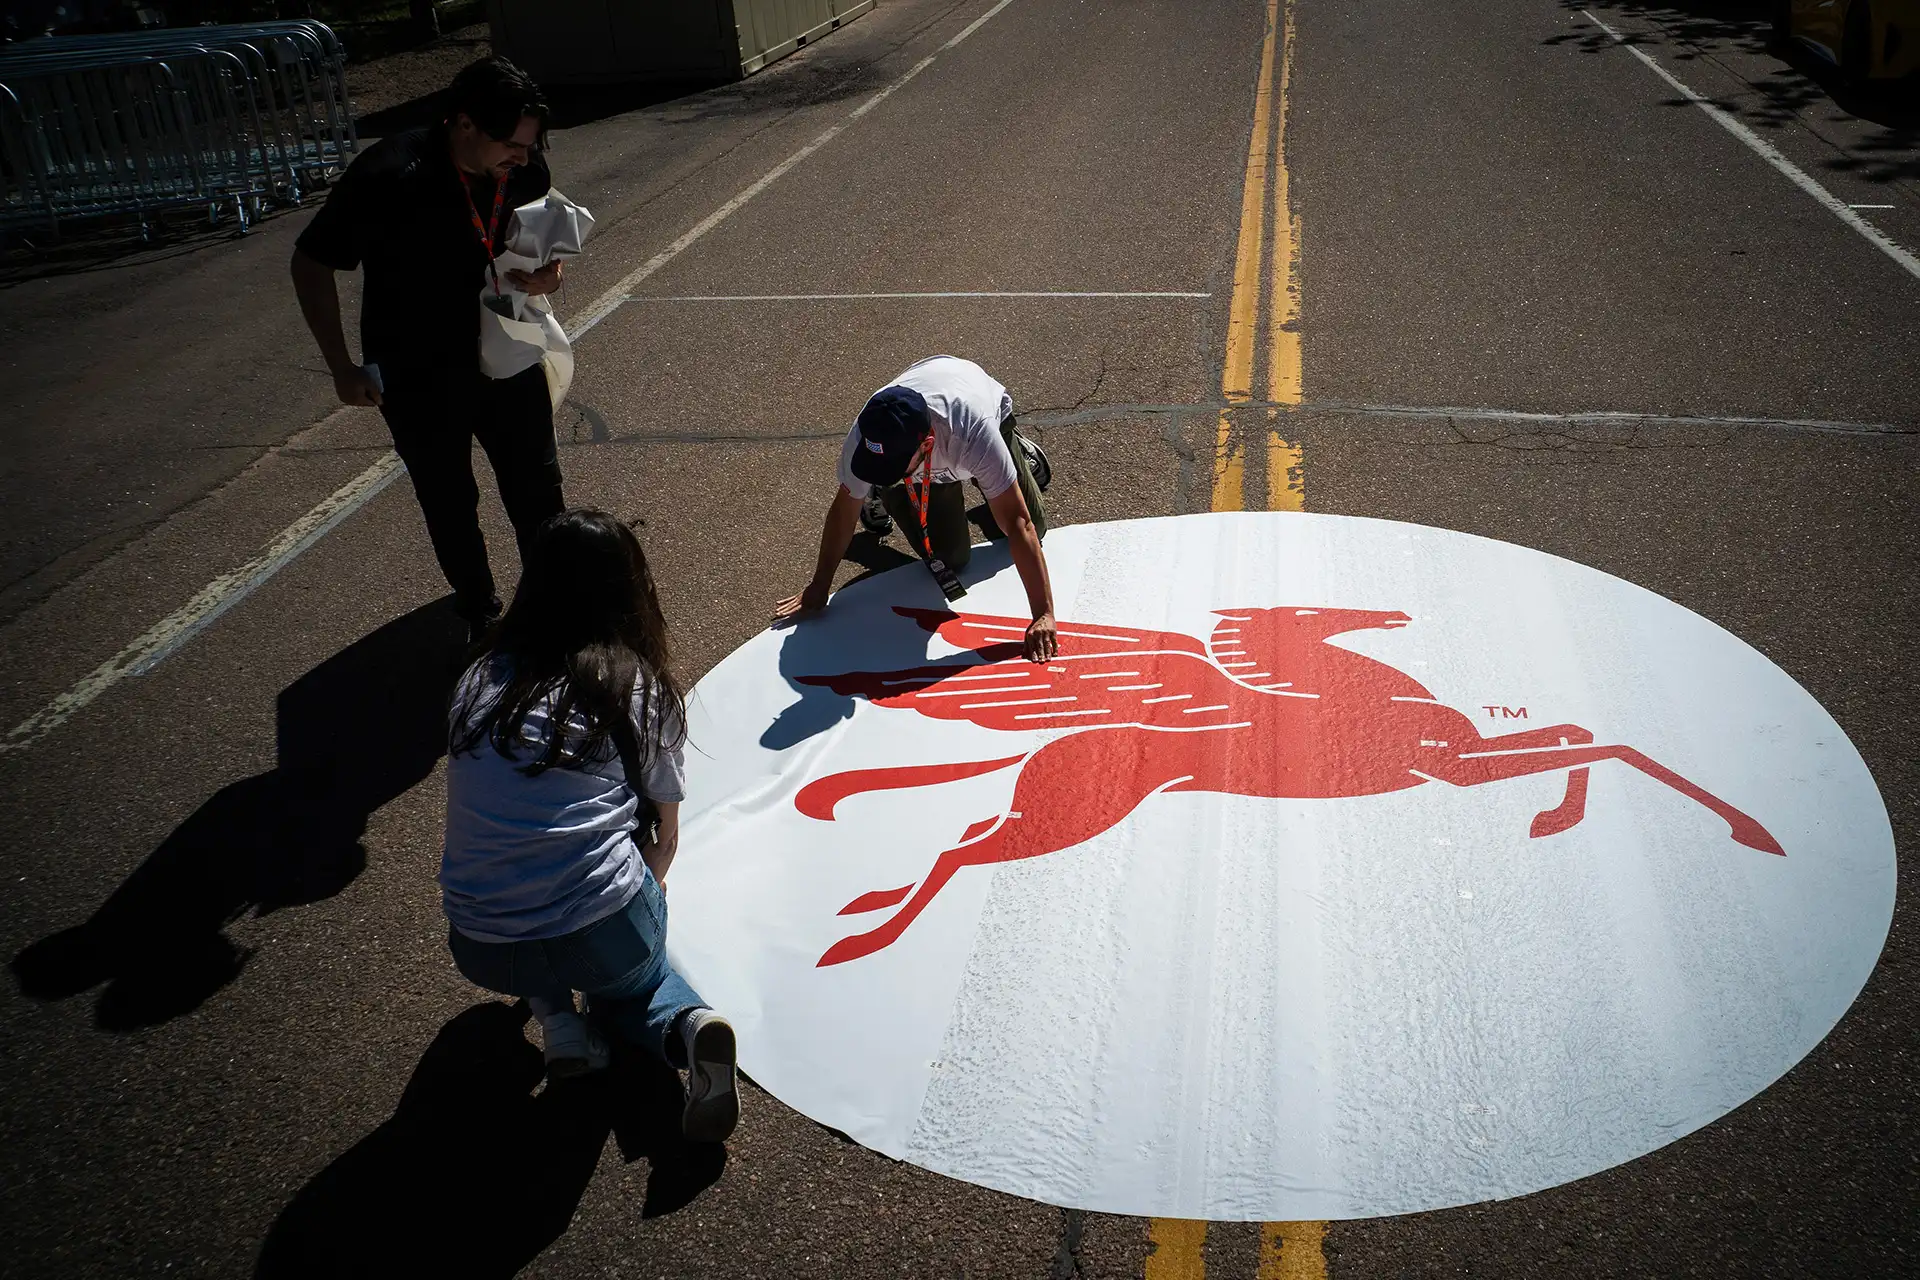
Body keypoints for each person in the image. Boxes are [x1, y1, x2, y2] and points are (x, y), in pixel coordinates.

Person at [440, 508, 738, 1143]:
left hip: (481, 941)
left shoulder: (477, 678)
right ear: (631, 591)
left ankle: (560, 1027)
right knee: (625, 981)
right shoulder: (634, 686)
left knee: (540, 939)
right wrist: (646, 889)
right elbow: (666, 835)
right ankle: (686, 1028)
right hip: (600, 927)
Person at [291, 57, 567, 641]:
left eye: (529, 145)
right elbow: (311, 262)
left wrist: (550, 274)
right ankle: (478, 607)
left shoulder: (524, 171)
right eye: (510, 144)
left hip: (507, 352)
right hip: (417, 371)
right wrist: (341, 366)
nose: (522, 158)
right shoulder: (389, 174)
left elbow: (538, 236)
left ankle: (552, 611)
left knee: (537, 488)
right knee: (447, 498)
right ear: (463, 124)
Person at [772, 355, 1059, 662]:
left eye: (889, 467)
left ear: (926, 444)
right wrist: (819, 584)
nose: (882, 466)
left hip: (976, 423)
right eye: (876, 468)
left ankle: (1012, 453)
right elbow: (844, 509)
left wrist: (1043, 613)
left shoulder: (972, 432)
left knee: (1034, 525)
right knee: (950, 560)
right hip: (931, 462)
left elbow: (1019, 524)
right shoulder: (867, 434)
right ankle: (879, 490)